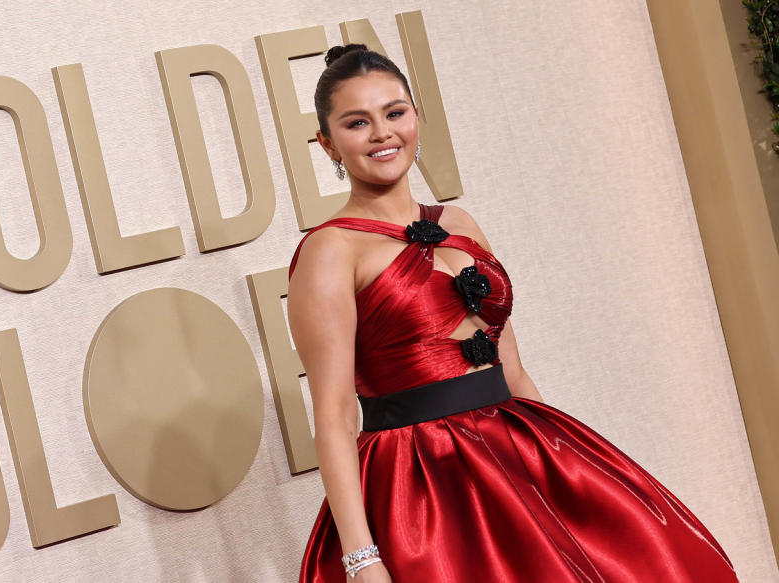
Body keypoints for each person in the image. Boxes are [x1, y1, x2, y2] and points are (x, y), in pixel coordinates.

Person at [286, 43, 740, 583]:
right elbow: (335, 417)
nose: (383, 133)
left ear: (415, 117)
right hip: (424, 483)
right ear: (328, 143)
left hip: (515, 444)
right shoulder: (329, 252)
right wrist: (363, 560)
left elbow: (513, 367)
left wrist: (566, 471)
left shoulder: (459, 221)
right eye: (357, 122)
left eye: (395, 112)